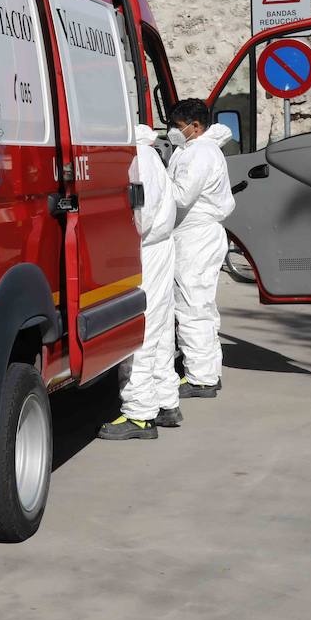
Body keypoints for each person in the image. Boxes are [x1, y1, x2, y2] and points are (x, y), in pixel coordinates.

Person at [98, 123, 180, 440]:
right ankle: (166, 402)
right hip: (159, 249)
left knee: (141, 329)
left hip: (146, 251)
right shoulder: (149, 155)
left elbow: (140, 214)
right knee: (158, 328)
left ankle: (139, 413)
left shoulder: (139, 159)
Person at [165, 99, 236, 399]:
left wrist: (154, 185)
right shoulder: (199, 149)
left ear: (196, 127)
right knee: (202, 305)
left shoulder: (199, 154)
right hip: (200, 235)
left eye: (179, 128)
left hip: (196, 237)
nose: (174, 133)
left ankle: (201, 378)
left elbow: (181, 195)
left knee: (192, 305)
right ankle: (208, 371)